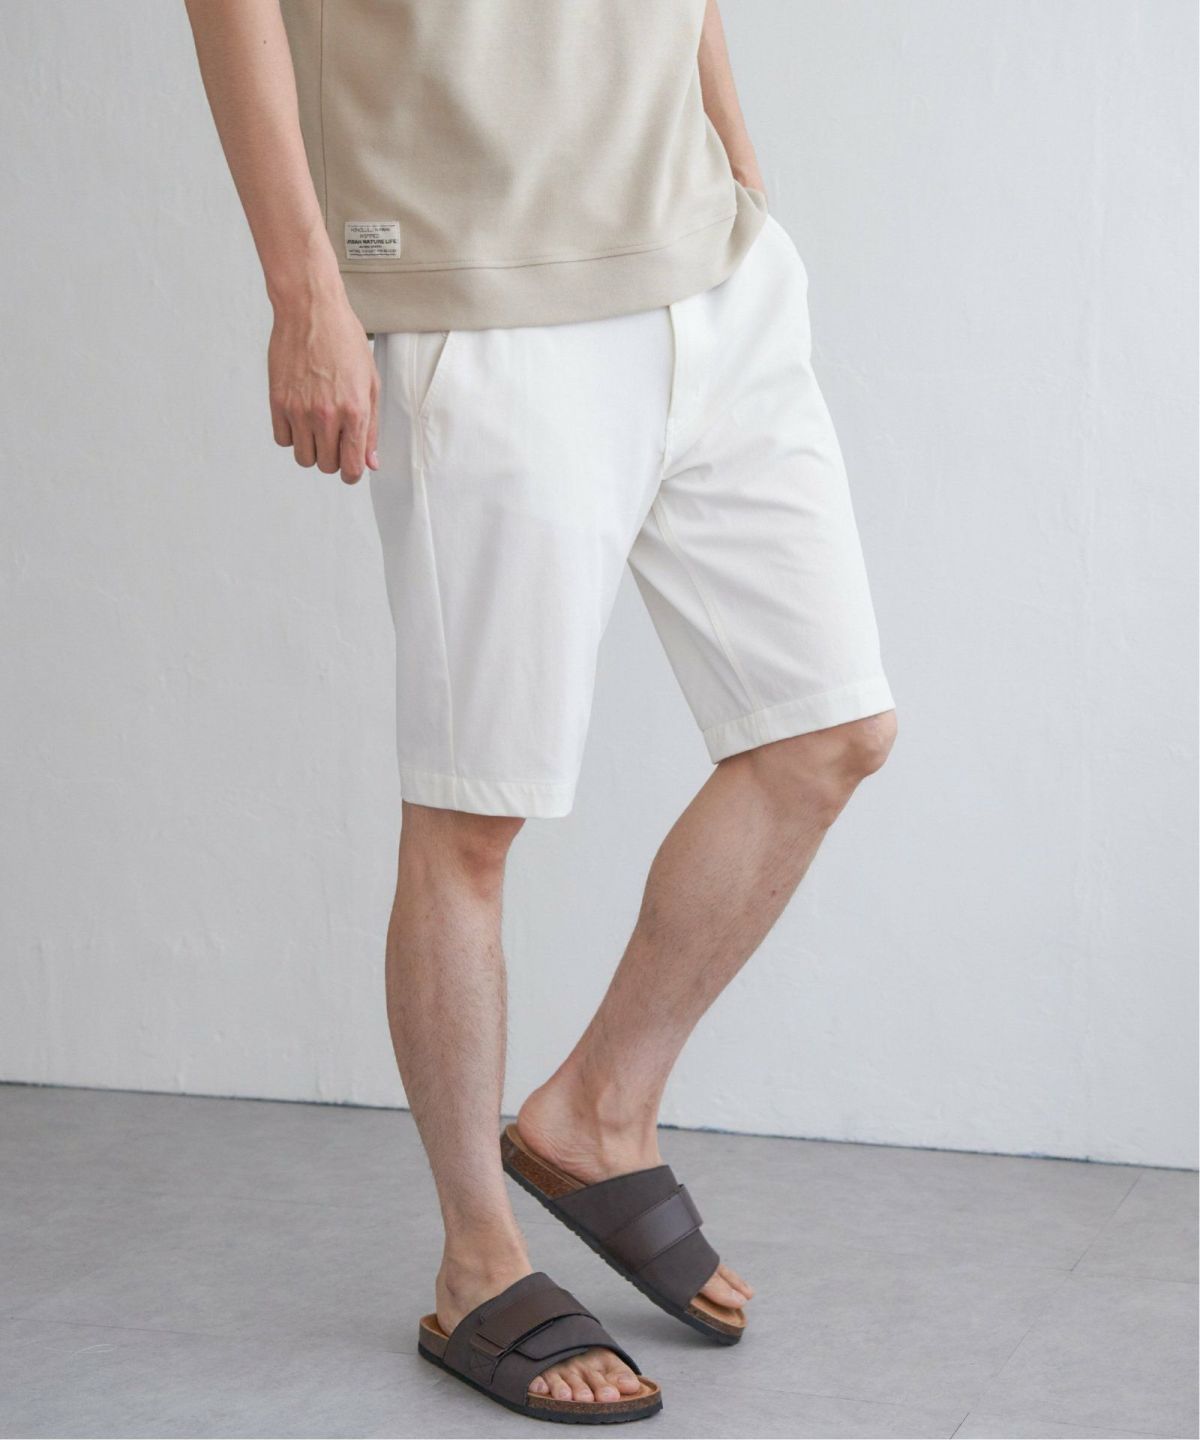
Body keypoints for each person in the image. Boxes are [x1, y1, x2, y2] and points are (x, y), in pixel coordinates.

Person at [185, 0, 896, 1422]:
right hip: (478, 290)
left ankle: (597, 1112)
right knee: (473, 817)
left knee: (827, 733)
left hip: (711, 267)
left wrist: (738, 162)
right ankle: (475, 1258)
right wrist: (305, 289)